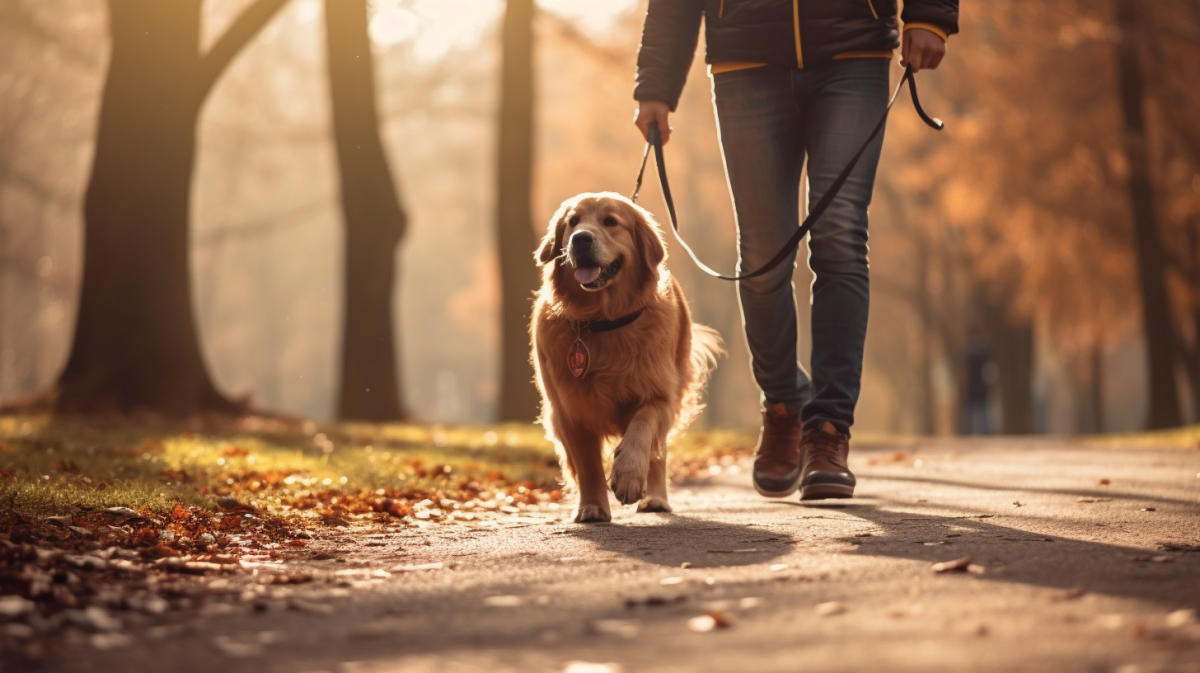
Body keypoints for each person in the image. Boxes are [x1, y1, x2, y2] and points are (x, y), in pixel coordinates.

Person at [633, 0, 958, 500]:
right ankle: (784, 404)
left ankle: (828, 432)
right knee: (763, 256)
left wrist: (929, 14)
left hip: (853, 50)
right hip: (746, 58)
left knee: (840, 234)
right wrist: (656, 84)